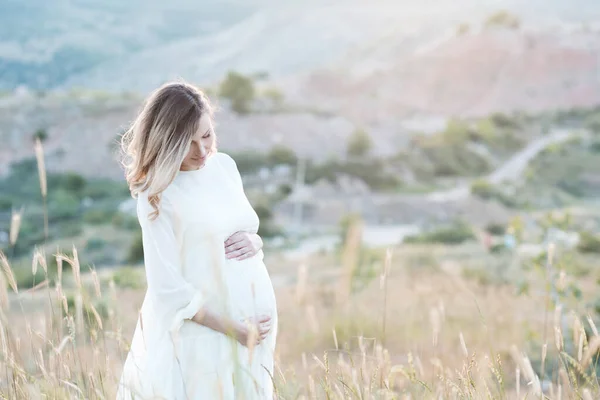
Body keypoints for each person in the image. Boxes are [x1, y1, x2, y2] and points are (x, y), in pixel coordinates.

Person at [116, 81, 277, 399]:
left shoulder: (225, 167)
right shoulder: (157, 195)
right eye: (187, 143)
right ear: (166, 141)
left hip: (253, 335)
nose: (202, 151)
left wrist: (255, 242)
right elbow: (167, 291)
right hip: (204, 337)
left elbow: (236, 229)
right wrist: (238, 331)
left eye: (206, 136)